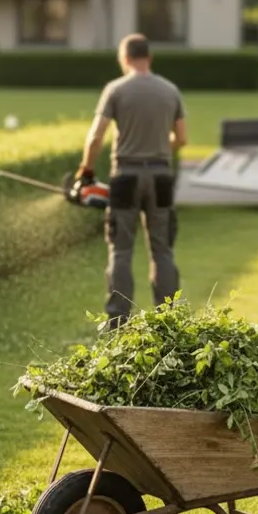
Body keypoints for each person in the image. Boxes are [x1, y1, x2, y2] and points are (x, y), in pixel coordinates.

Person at [72, 33, 188, 330]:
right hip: (160, 176)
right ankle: (168, 322)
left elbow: (96, 137)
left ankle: (118, 322)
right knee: (162, 250)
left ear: (124, 59)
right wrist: (160, 148)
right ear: (149, 57)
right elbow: (182, 138)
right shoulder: (170, 90)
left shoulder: (116, 90)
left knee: (121, 250)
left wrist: (85, 171)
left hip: (126, 176)